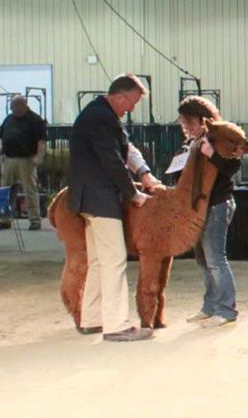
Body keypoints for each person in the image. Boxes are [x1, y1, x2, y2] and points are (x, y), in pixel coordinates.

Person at [67, 74, 158, 341]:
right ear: (120, 96)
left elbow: (124, 150)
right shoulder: (101, 119)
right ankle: (117, 325)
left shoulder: (99, 114)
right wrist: (134, 194)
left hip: (88, 197)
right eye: (131, 103)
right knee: (115, 259)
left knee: (97, 261)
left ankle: (91, 318)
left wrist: (144, 172)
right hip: (99, 197)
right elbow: (112, 160)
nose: (131, 109)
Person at [165, 96, 238, 328]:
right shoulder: (189, 144)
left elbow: (232, 166)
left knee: (216, 259)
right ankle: (210, 306)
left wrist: (211, 155)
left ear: (203, 120)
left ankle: (226, 309)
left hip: (217, 204)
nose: (185, 126)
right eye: (183, 122)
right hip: (196, 208)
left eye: (189, 122)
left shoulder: (218, 138)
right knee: (203, 261)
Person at [0, 96, 48, 231]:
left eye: (14, 107)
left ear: (23, 105)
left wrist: (39, 157)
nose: (12, 110)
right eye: (11, 107)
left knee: (30, 191)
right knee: (5, 191)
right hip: (9, 159)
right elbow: (0, 136)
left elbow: (41, 141)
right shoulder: (8, 119)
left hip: (27, 160)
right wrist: (1, 147)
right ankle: (5, 219)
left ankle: (35, 220)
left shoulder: (35, 120)